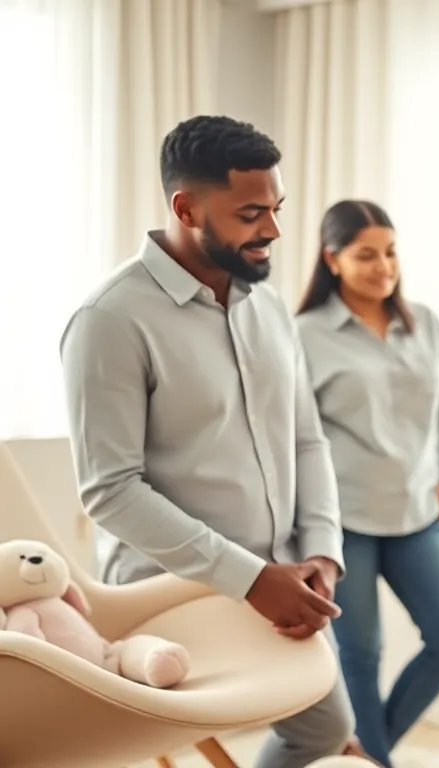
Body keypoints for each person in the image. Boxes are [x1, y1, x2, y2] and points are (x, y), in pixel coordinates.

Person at [59, 115, 355, 767]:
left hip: (283, 577)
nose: (274, 230)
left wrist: (325, 555)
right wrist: (248, 579)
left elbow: (307, 439)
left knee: (326, 726)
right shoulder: (109, 320)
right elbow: (110, 492)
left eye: (277, 209)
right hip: (169, 591)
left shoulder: (270, 306)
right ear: (185, 207)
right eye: (252, 213)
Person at [295, 199, 439, 768]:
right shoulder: (303, 334)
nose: (384, 266)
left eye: (391, 252)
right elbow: (292, 434)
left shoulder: (423, 322)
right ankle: (372, 759)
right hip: (341, 520)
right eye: (366, 254)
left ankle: (362, 754)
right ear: (332, 259)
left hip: (416, 511)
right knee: (360, 654)